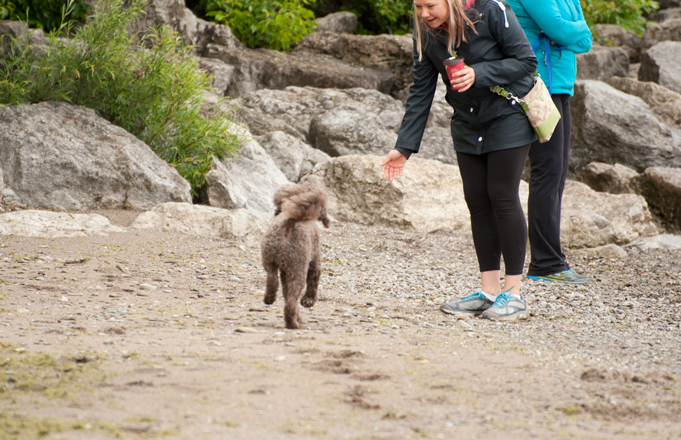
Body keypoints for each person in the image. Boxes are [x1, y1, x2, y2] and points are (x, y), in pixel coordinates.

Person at [381, 0, 538, 320]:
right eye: (418, 6)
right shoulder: (424, 30)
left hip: (508, 116)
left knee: (503, 196)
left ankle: (514, 295)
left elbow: (526, 61)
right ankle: (488, 291)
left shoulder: (493, 10)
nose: (424, 14)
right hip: (467, 124)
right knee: (478, 202)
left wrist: (478, 73)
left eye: (430, 5)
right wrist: (405, 146)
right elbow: (421, 88)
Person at [505, 0, 592, 284]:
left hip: (560, 86)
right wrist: (569, 30)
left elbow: (585, 41)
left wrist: (569, 30)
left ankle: (551, 259)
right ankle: (546, 262)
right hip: (538, 86)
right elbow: (566, 34)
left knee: (557, 173)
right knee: (547, 171)